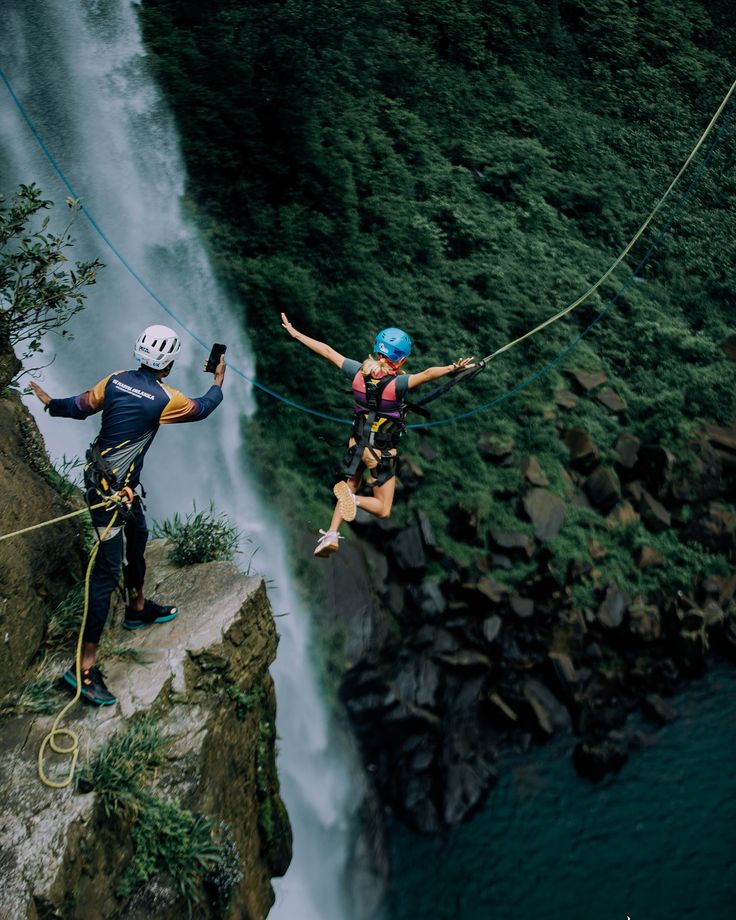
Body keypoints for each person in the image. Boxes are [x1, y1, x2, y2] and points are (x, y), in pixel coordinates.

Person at [30, 324, 226, 705]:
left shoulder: (116, 380)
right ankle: (83, 669)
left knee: (139, 535)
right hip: (108, 496)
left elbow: (78, 407)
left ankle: (136, 607)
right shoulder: (166, 399)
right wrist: (218, 378)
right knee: (103, 578)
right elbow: (204, 407)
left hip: (114, 486)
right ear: (167, 363)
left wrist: (49, 403)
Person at [280, 313, 473, 557]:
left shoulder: (358, 373)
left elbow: (328, 352)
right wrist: (452, 368)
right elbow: (426, 374)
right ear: (401, 360)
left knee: (351, 483)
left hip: (356, 444)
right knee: (382, 509)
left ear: (377, 350)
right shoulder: (398, 385)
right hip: (380, 454)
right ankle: (355, 500)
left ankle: (331, 533)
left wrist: (296, 334)